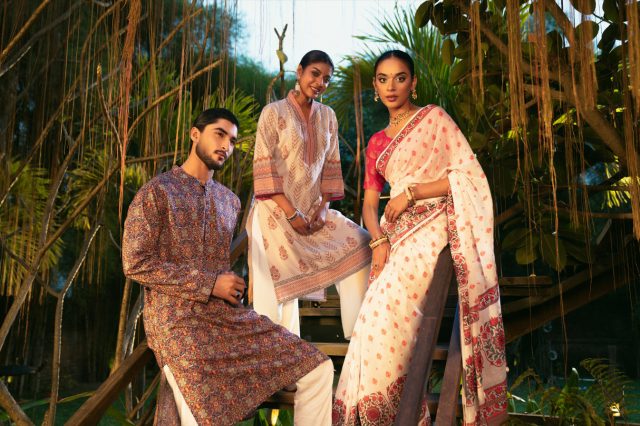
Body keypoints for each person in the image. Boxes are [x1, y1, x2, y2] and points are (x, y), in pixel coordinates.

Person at [122, 108, 334, 426]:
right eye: (219, 134)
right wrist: (209, 283)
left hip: (225, 317)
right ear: (195, 134)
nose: (226, 145)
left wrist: (230, 284)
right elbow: (135, 262)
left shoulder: (229, 201)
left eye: (232, 141)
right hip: (177, 323)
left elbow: (221, 263)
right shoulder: (157, 192)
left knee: (317, 366)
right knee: (202, 404)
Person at [332, 51, 508, 425]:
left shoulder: (435, 120)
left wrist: (412, 193)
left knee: (386, 311)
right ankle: (383, 410)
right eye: (383, 79)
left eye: (400, 78)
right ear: (375, 86)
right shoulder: (376, 143)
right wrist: (378, 242)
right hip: (393, 234)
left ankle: (394, 410)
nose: (391, 87)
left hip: (433, 223)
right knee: (371, 320)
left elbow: (469, 177)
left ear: (413, 83)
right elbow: (368, 205)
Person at [248, 50, 371, 337]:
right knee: (275, 295)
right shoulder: (273, 112)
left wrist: (324, 208)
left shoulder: (328, 116)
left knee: (361, 243)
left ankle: (358, 335)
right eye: (315, 74)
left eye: (326, 79)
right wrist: (290, 212)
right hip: (274, 212)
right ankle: (279, 354)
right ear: (300, 71)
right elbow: (264, 167)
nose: (320, 83)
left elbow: (331, 166)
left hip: (314, 213)